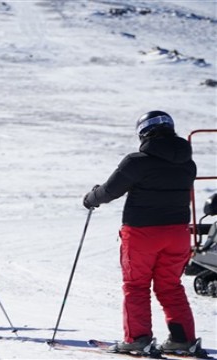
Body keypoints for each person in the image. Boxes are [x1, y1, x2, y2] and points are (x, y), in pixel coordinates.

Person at [83, 111, 206, 357]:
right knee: (170, 286)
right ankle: (183, 340)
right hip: (178, 233)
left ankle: (137, 339)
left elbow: (109, 191)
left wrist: (91, 198)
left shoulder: (136, 161)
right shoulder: (187, 163)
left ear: (143, 132)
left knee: (136, 285)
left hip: (142, 233)